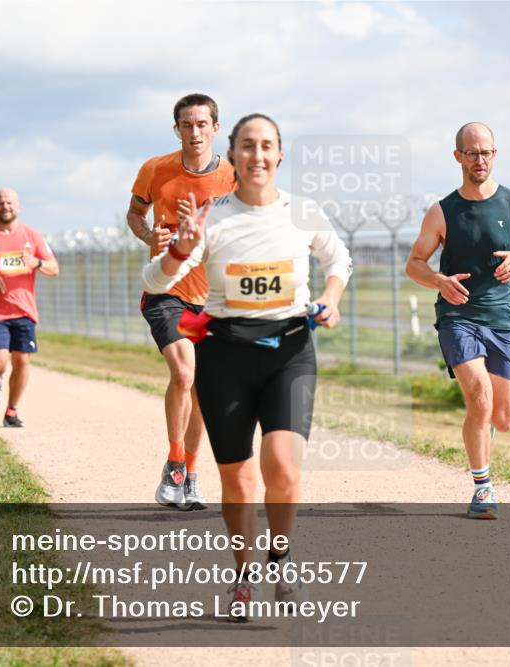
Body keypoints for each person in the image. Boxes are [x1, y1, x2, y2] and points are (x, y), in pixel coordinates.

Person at [144, 113, 351, 619]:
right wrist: (182, 250)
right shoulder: (211, 216)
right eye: (247, 146)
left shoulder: (302, 212)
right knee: (237, 482)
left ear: (280, 155)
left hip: (289, 350)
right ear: (232, 155)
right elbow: (155, 280)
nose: (258, 156)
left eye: (267, 146)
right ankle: (244, 577)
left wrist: (330, 297)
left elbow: (338, 258)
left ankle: (280, 556)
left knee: (281, 466)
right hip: (226, 354)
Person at [405, 122, 510, 520]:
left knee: (502, 416)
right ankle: (483, 488)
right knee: (479, 395)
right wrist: (438, 280)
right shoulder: (442, 211)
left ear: (495, 154)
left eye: (486, 152)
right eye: (471, 152)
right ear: (458, 157)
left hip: (502, 315)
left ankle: (479, 432)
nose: (479, 159)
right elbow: (414, 263)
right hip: (457, 315)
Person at [128, 93, 235, 510]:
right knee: (184, 372)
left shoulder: (232, 177)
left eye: (202, 125)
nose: (195, 132)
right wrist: (147, 235)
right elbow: (135, 215)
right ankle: (173, 465)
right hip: (165, 291)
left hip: (211, 300)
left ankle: (190, 474)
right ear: (177, 129)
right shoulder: (155, 170)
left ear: (215, 128)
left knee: (202, 390)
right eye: (187, 125)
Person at [0, 188, 59, 427]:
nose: (5, 206)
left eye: (9, 202)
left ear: (18, 206)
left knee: (22, 361)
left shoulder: (32, 235)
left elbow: (54, 267)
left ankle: (11, 411)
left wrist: (37, 262)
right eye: (0, 203)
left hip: (24, 310)